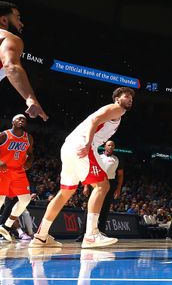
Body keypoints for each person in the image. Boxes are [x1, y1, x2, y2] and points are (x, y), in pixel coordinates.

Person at [31, 87, 135, 248]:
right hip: (83, 144)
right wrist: (87, 143)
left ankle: (41, 236)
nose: (130, 99)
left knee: (65, 193)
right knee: (102, 185)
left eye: (131, 98)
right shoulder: (116, 109)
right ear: (117, 99)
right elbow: (94, 121)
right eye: (126, 96)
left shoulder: (115, 112)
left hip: (69, 146)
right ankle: (91, 234)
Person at [0, 2, 47, 121]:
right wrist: (30, 97)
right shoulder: (9, 38)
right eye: (18, 18)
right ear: (4, 20)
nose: (21, 23)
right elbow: (11, 66)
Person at [0, 114, 34, 242]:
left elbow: (31, 154)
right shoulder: (4, 135)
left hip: (19, 172)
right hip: (3, 171)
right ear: (13, 122)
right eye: (19, 119)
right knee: (0, 200)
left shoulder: (28, 138)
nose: (22, 120)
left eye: (24, 119)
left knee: (25, 200)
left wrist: (29, 161)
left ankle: (6, 226)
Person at [81, 140, 124, 240]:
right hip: (97, 183)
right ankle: (83, 234)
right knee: (90, 208)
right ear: (105, 146)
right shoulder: (98, 157)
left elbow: (120, 175)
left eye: (113, 146)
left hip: (110, 184)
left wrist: (118, 189)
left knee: (105, 209)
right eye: (109, 145)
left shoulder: (117, 159)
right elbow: (89, 171)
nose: (111, 147)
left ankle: (101, 233)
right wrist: (86, 186)